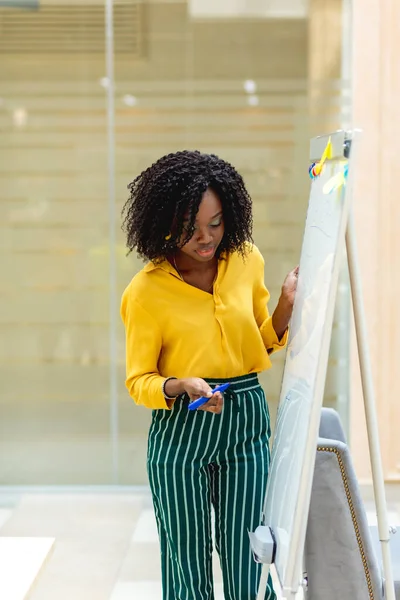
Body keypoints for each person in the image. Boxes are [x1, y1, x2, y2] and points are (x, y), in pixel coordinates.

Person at [120, 150, 298, 600]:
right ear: (163, 221)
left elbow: (260, 340)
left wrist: (286, 307)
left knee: (252, 553)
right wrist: (180, 385)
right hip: (181, 428)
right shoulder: (145, 291)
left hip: (245, 419)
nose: (206, 239)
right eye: (190, 228)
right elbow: (138, 380)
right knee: (186, 560)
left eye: (215, 224)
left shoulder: (246, 260)